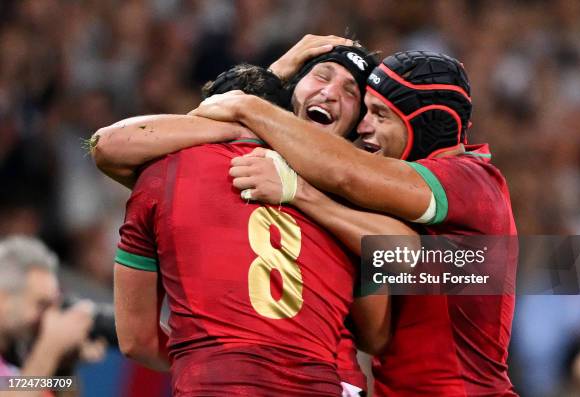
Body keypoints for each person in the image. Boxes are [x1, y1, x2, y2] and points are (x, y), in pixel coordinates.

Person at [191, 50, 518, 396]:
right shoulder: (404, 208)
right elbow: (375, 338)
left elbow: (344, 173)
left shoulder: (471, 183)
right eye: (365, 111)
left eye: (379, 115)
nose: (363, 127)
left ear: (425, 124)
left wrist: (250, 107)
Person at [93, 35, 388, 396]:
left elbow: (137, 341)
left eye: (349, 92)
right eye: (322, 76)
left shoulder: (162, 173)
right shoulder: (356, 203)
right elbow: (378, 331)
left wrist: (210, 361)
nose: (330, 94)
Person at [0, 236, 99, 397]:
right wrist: (49, 349)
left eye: (53, 306)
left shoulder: (18, 355)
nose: (49, 317)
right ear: (3, 299)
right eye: (41, 305)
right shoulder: (36, 358)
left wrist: (63, 364)